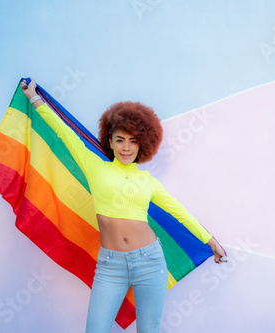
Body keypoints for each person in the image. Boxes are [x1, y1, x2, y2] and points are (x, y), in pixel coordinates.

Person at [21, 79, 226, 333]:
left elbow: (178, 211)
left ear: (143, 144)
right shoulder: (94, 165)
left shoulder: (147, 181)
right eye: (120, 140)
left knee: (149, 330)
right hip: (110, 265)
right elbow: (64, 132)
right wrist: (34, 98)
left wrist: (210, 241)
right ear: (110, 140)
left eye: (133, 141)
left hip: (150, 261)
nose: (126, 147)